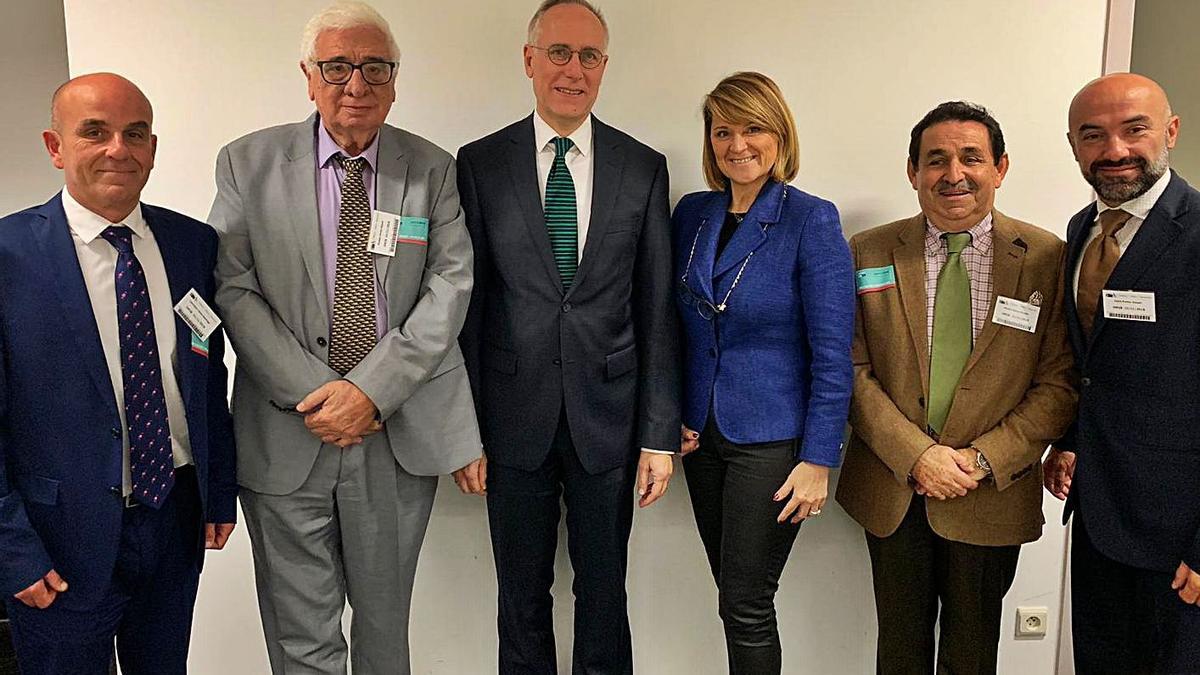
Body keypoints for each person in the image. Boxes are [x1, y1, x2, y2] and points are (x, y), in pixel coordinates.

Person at [207, 2, 480, 672]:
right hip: (285, 431)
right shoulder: (247, 163)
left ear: (395, 79)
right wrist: (324, 393)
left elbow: (450, 287)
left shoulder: (432, 169)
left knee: (385, 632)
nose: (356, 83)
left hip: (393, 433)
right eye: (337, 66)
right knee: (301, 636)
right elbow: (233, 288)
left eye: (374, 67)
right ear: (308, 75)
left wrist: (370, 392)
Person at [455, 0, 680, 671]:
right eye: (559, 52)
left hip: (607, 420)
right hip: (510, 418)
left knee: (604, 592)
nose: (573, 69)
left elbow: (657, 310)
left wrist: (658, 434)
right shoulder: (479, 164)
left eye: (588, 56)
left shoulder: (643, 168)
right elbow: (468, 307)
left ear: (604, 68)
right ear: (530, 60)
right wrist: (462, 429)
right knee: (519, 595)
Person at [0, 72, 237, 675]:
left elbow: (208, 376)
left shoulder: (193, 244)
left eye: (135, 133)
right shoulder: (8, 256)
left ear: (152, 149)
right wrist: (13, 549)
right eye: (94, 132)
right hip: (57, 541)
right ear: (55, 147)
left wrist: (218, 490)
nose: (118, 149)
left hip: (173, 519)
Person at [836, 101, 1077, 674]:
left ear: (1001, 167)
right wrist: (917, 456)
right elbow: (848, 368)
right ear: (913, 171)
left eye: (972, 157)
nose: (953, 174)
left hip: (989, 491)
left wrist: (979, 459)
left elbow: (1060, 381)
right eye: (935, 160)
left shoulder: (1047, 258)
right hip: (894, 487)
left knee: (972, 654)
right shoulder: (868, 251)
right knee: (899, 649)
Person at [671, 71, 854, 674]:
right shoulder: (691, 215)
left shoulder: (811, 219)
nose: (738, 144)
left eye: (753, 128)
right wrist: (673, 414)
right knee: (731, 595)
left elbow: (833, 353)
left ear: (780, 135)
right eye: (723, 130)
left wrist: (819, 459)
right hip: (701, 438)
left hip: (774, 442)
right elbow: (677, 329)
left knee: (747, 600)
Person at [1044, 72, 1200, 674]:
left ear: (1171, 131)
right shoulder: (1081, 231)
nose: (1114, 151)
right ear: (1074, 145)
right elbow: (1099, 366)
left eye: (1134, 129)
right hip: (1099, 517)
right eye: (1093, 135)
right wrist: (1070, 441)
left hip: (1180, 534)